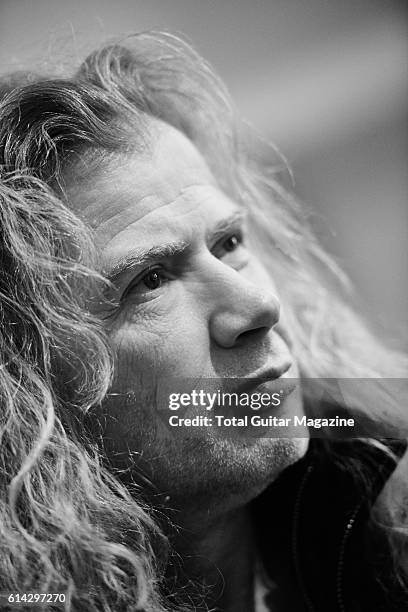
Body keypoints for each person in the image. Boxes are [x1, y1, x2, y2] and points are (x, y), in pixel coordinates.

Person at [0, 31, 406, 612]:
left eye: (229, 242)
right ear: (27, 391)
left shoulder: (386, 522)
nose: (258, 309)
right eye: (150, 281)